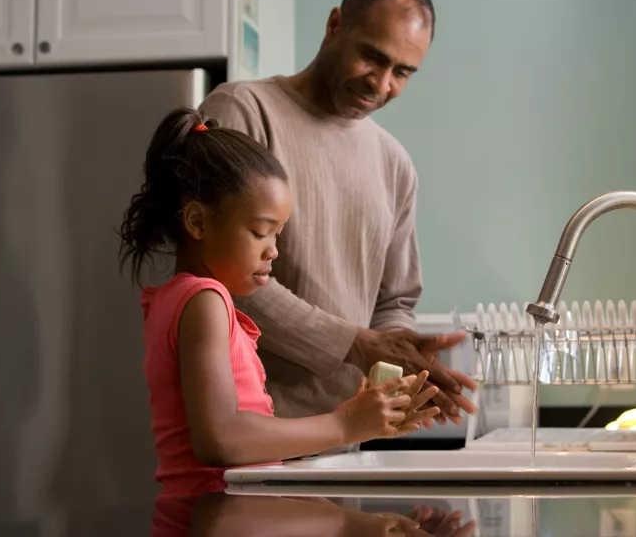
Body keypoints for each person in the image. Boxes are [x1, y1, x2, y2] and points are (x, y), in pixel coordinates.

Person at [198, 0, 476, 427]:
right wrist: (355, 344)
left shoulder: (394, 163)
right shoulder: (242, 111)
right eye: (372, 56)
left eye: (402, 72)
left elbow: (394, 301)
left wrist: (401, 358)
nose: (381, 84)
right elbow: (219, 274)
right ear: (334, 26)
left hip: (344, 438)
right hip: (247, 433)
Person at [118, 108, 439, 494]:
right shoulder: (205, 300)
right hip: (211, 518)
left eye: (278, 235)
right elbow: (221, 438)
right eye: (260, 232)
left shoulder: (178, 298)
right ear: (198, 223)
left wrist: (359, 420)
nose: (274, 252)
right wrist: (344, 424)